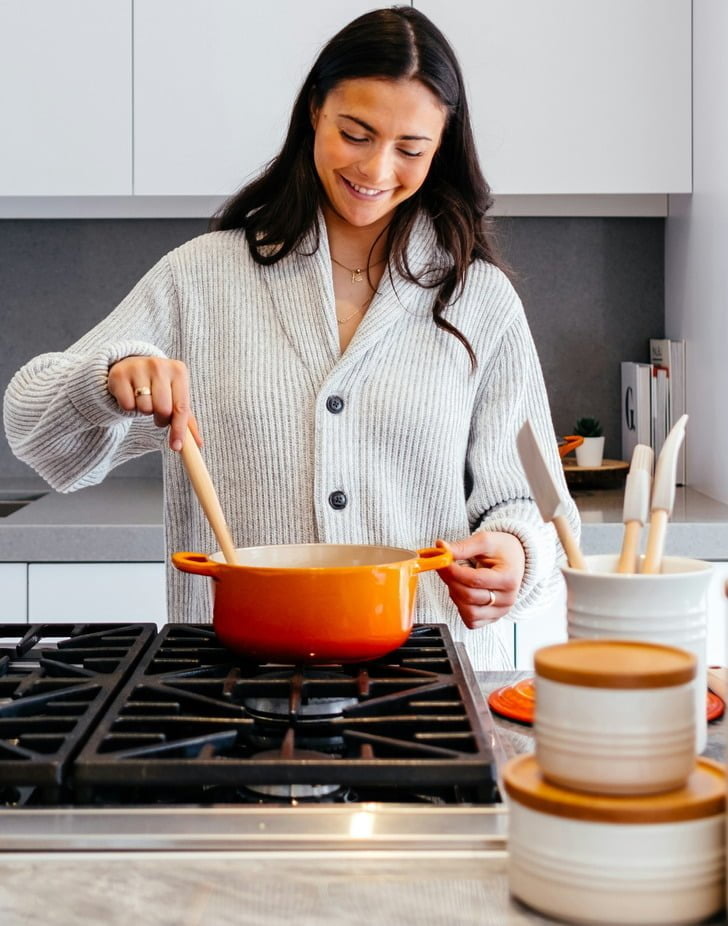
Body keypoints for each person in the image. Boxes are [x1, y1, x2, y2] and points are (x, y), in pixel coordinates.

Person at [3, 6, 579, 670]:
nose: (378, 168)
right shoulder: (203, 278)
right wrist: (107, 380)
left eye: (410, 148)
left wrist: (514, 553)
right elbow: (33, 429)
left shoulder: (478, 299)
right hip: (226, 685)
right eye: (355, 133)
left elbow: (534, 504)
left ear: (442, 145)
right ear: (315, 112)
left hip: (419, 689)